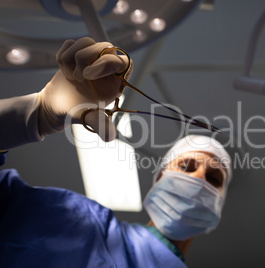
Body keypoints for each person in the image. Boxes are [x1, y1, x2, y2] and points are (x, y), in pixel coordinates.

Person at [0, 37, 232, 267]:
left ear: (219, 202)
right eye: (186, 166)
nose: (199, 178)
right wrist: (33, 114)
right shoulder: (79, 222)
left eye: (213, 178)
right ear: (160, 177)